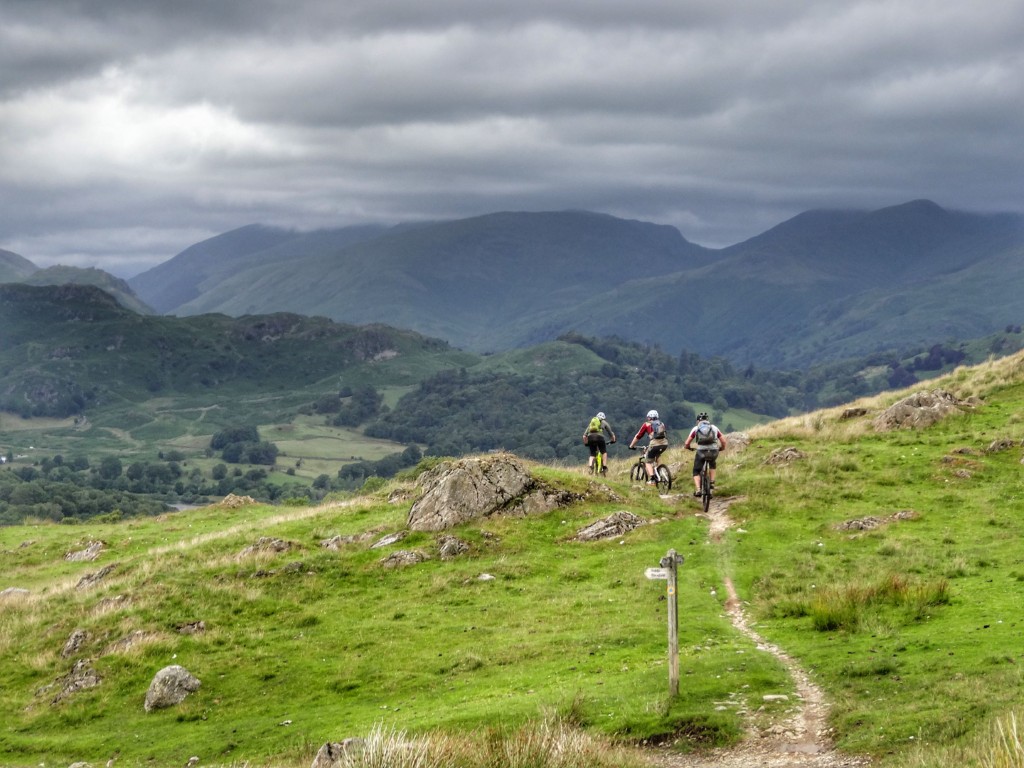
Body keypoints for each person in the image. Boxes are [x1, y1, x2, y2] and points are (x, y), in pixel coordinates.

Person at [684, 412, 727, 496]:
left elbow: (687, 443)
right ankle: (712, 482)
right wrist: (722, 448)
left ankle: (698, 490)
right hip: (713, 451)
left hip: (701, 451)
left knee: (696, 471)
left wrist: (688, 447)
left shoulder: (696, 428)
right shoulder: (714, 428)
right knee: (712, 464)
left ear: (698, 421)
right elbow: (723, 441)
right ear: (707, 420)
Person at [628, 409, 668, 484]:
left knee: (648, 461)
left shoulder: (646, 424)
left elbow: (638, 436)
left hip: (654, 444)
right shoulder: (661, 423)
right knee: (657, 455)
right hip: (664, 444)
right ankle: (660, 472)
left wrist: (631, 445)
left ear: (649, 417)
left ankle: (652, 479)